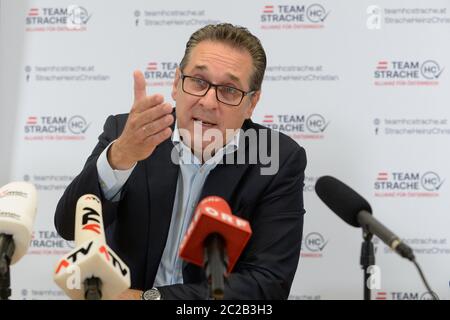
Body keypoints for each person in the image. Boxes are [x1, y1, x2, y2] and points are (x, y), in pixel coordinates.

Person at [54, 23, 307, 300]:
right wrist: (121, 156)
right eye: (198, 82)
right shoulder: (129, 132)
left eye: (229, 90)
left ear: (252, 103)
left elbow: (267, 285)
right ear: (176, 83)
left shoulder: (277, 158)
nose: (209, 102)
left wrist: (146, 299)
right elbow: (68, 226)